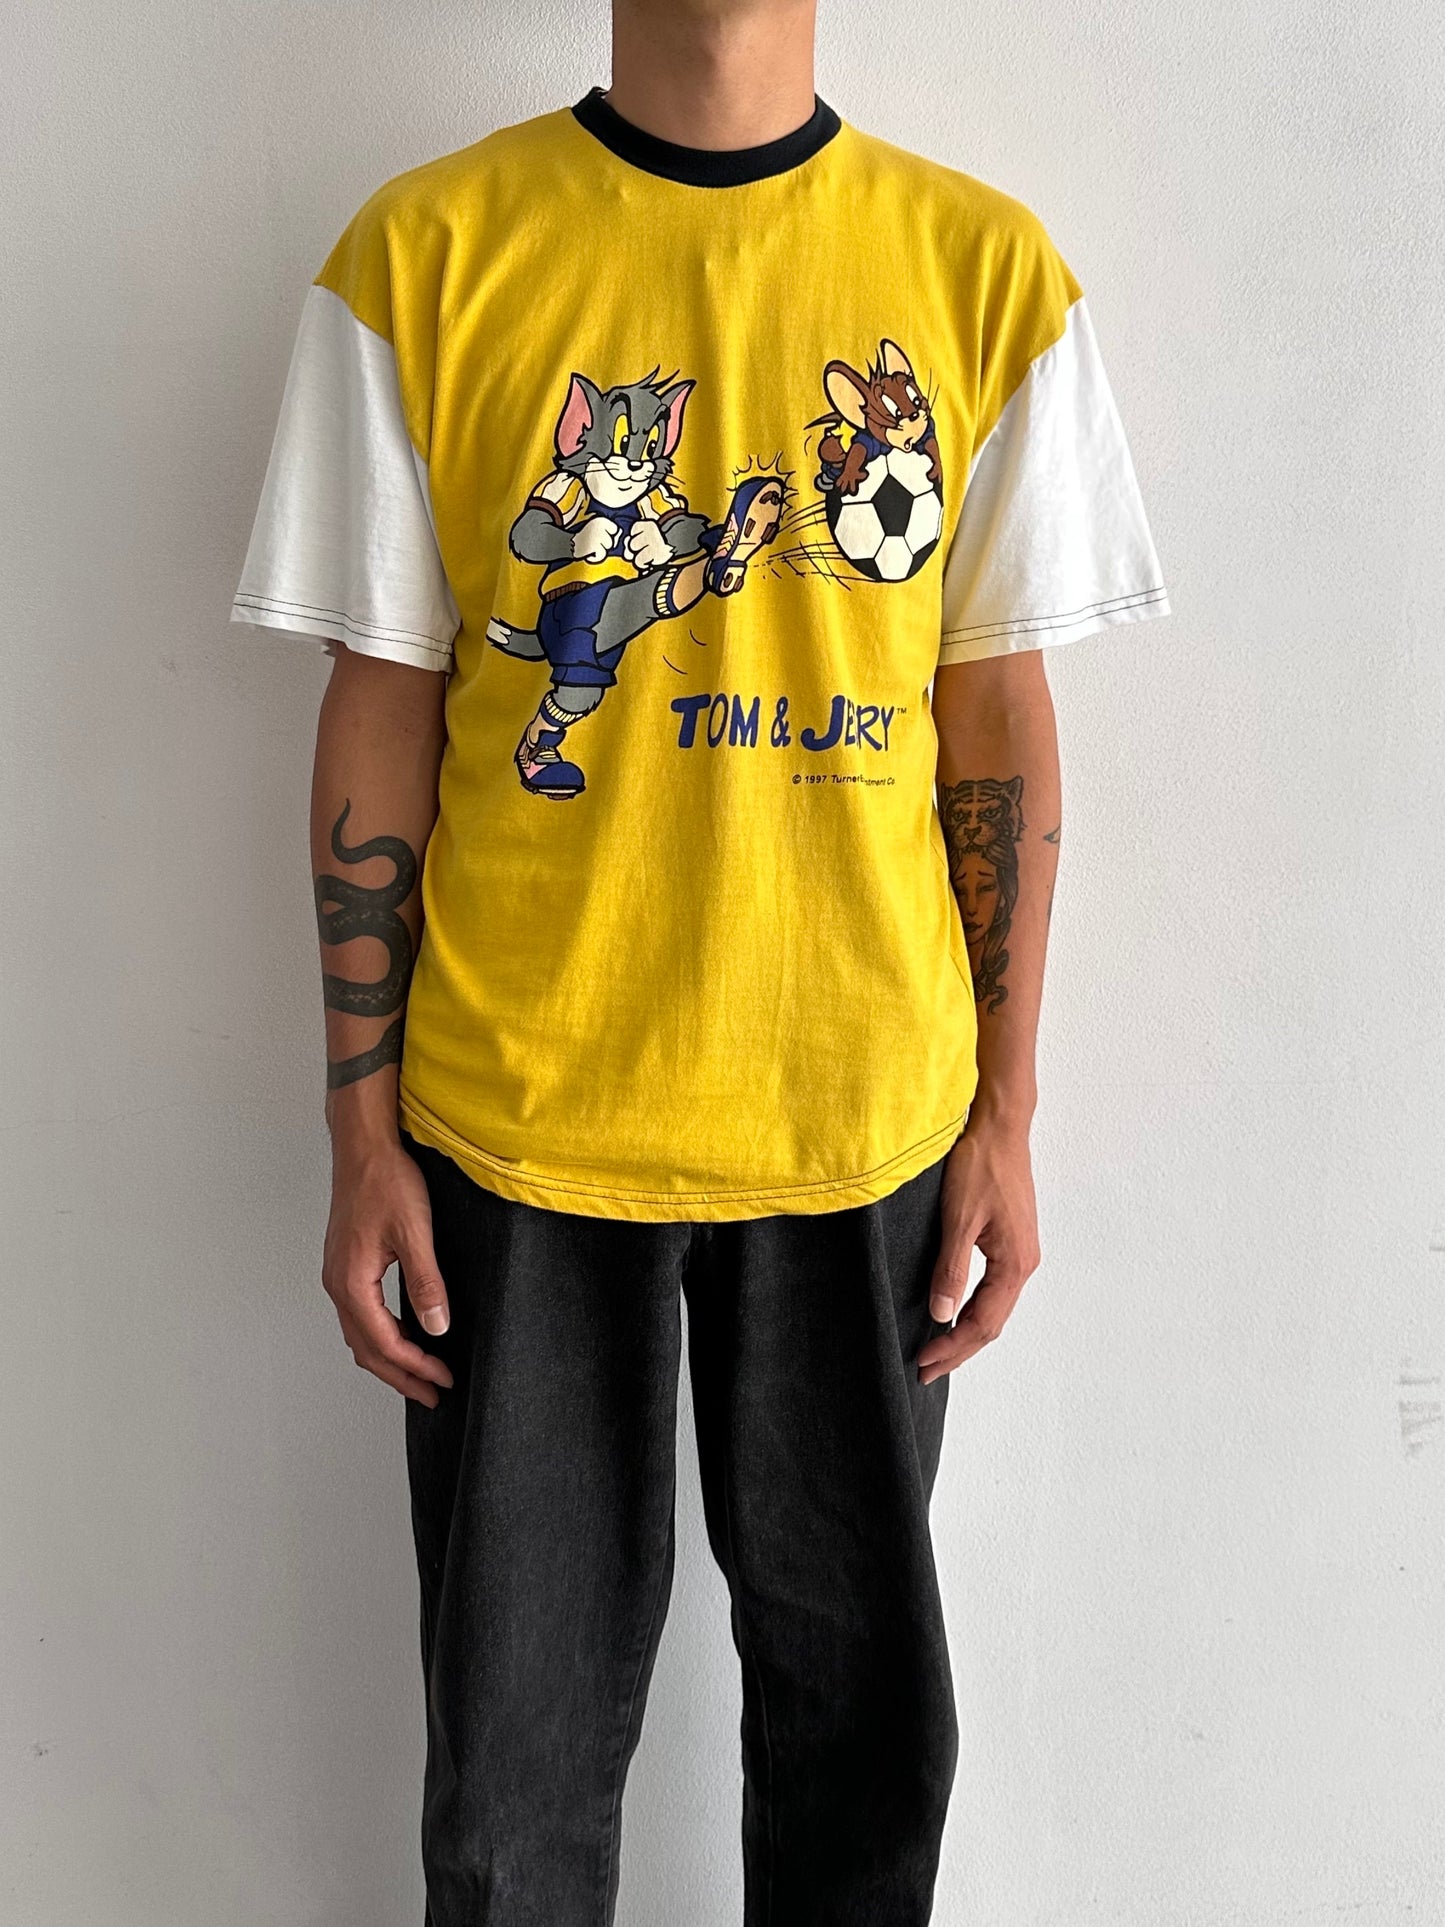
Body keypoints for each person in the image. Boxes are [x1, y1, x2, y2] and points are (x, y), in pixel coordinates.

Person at [231, 0, 1170, 1919]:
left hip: (865, 1122)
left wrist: (1005, 1115)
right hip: (514, 1123)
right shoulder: (422, 256)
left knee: (861, 1768)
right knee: (508, 1793)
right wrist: (358, 1134)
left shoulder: (984, 272)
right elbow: (380, 703)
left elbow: (992, 717)